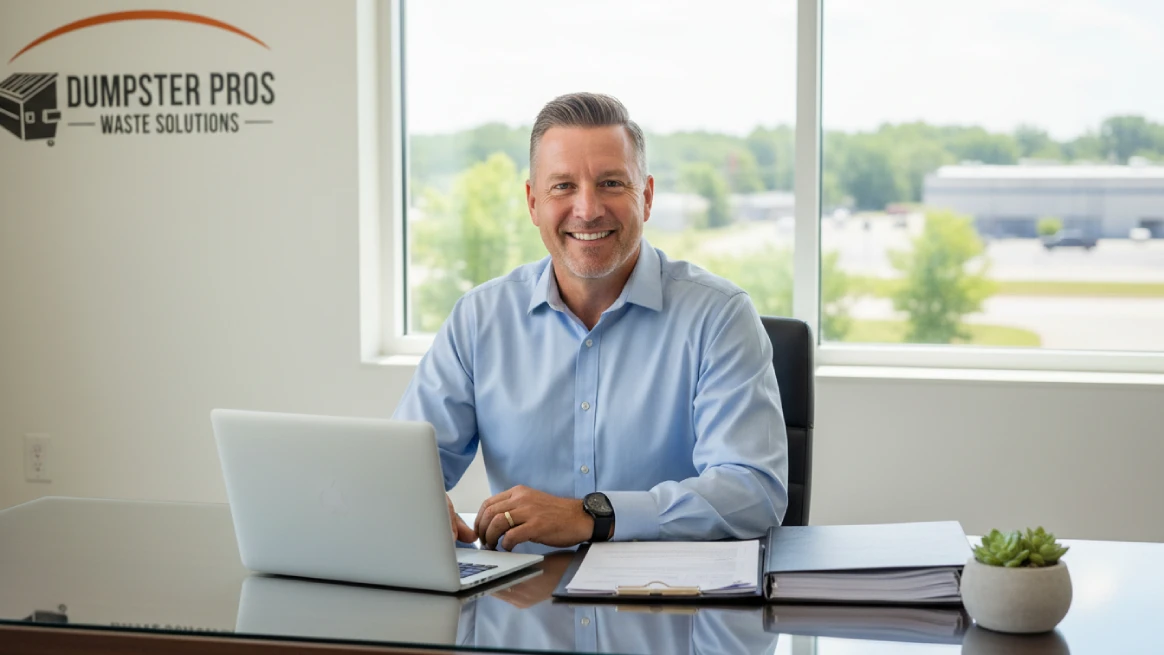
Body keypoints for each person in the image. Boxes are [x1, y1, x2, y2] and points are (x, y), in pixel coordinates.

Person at [393, 92, 787, 553]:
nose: (587, 209)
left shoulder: (719, 316)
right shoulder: (480, 319)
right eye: (563, 186)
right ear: (533, 202)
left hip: (664, 595)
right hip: (521, 593)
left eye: (611, 183)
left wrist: (593, 516)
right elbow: (400, 470)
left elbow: (753, 493)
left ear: (647, 197)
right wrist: (413, 501)